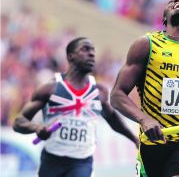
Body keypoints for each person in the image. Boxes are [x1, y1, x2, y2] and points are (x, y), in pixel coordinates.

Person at [110, 0, 179, 177]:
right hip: (153, 142)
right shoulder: (146, 45)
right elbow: (116, 95)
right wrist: (143, 119)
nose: (178, 0)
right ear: (164, 20)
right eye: (171, 2)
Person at [13, 37, 138, 177]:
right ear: (70, 56)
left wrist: (134, 139)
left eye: (93, 50)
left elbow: (113, 119)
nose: (91, 54)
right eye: (85, 49)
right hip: (52, 160)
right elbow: (18, 122)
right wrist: (36, 128)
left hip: (82, 162)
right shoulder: (50, 89)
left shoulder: (99, 91)